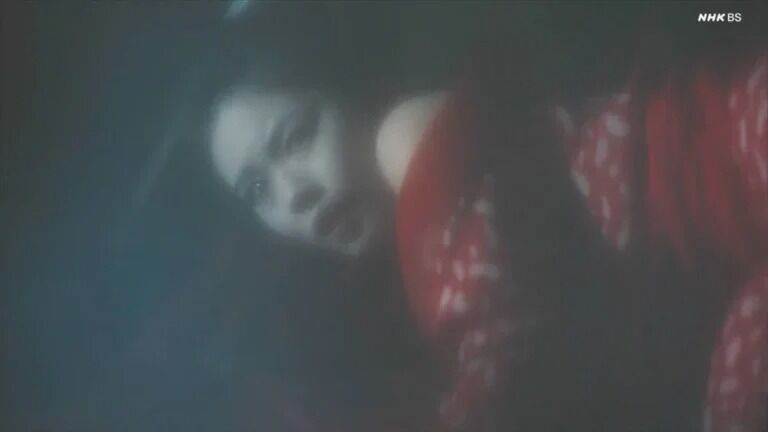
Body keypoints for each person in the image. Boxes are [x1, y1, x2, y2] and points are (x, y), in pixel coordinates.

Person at [195, 3, 768, 432]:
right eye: (257, 190)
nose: (293, 194)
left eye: (296, 137)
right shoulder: (401, 273)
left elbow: (506, 344)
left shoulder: (403, 135)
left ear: (349, 99)